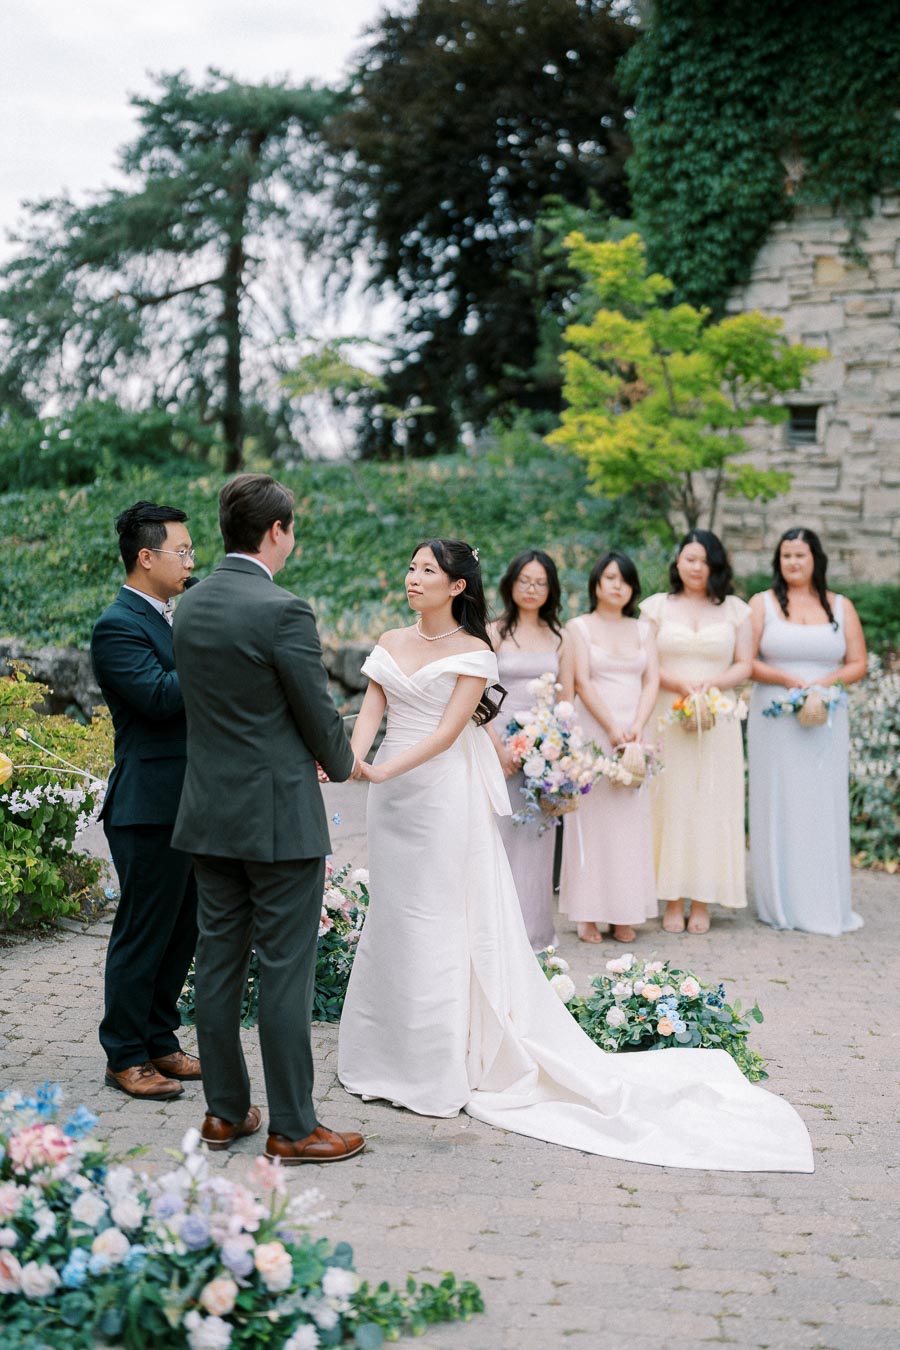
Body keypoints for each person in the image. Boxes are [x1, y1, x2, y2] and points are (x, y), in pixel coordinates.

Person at [337, 537, 813, 1173]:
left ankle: (436, 1058)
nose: (412, 576)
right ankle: (384, 1052)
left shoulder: (476, 651)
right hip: (392, 802)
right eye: (411, 566)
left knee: (439, 918)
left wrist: (384, 768)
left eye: (426, 570)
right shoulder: (393, 640)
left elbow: (451, 730)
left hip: (438, 793)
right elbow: (372, 708)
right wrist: (355, 761)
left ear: (457, 587)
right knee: (396, 916)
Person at [172, 474, 364, 1165]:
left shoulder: (189, 606)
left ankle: (224, 1114)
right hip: (278, 818)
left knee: (217, 963)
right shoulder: (283, 610)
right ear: (277, 530)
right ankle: (293, 1127)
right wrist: (339, 760)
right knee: (285, 971)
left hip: (207, 813)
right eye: (294, 529)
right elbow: (313, 711)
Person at [90, 501, 200, 1101]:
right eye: (182, 551)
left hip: (190, 798)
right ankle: (124, 1054)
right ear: (146, 556)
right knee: (142, 929)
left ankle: (160, 1038)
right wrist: (213, 657)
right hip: (147, 801)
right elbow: (157, 697)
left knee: (183, 928)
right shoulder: (118, 624)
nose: (191, 559)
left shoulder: (172, 616)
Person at [748, 527, 867, 934]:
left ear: (816, 558)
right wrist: (786, 680)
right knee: (779, 801)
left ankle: (822, 899)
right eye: (786, 556)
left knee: (820, 805)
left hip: (826, 720)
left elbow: (858, 663)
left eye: (800, 555)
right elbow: (746, 661)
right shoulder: (761, 604)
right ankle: (778, 902)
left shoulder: (840, 606)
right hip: (774, 717)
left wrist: (824, 685)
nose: (793, 563)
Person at [640, 530, 751, 934]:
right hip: (666, 714)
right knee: (670, 800)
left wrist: (712, 685)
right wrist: (680, 685)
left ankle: (702, 898)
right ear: (678, 563)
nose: (695, 567)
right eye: (688, 558)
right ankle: (671, 897)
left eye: (703, 560)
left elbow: (745, 664)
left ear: (715, 566)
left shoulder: (736, 610)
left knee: (710, 802)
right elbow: (645, 660)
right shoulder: (655, 608)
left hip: (717, 719)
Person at [558, 551, 659, 943]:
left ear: (632, 588)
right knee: (591, 823)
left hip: (633, 736)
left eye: (624, 579)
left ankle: (624, 914)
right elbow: (581, 681)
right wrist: (612, 727)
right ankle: (586, 914)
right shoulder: (578, 628)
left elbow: (651, 679)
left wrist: (635, 726)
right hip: (595, 734)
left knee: (629, 824)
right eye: (610, 577)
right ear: (597, 583)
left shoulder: (644, 629)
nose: (617, 585)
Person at [486, 549, 567, 951]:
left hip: (544, 749)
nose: (532, 589)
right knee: (497, 836)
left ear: (550, 588)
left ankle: (534, 934)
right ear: (511, 584)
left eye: (540, 582)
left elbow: (564, 698)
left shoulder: (559, 636)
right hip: (497, 742)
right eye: (524, 581)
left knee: (536, 837)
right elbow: (477, 696)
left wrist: (558, 749)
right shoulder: (494, 632)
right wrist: (499, 748)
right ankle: (494, 934)